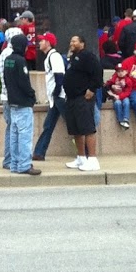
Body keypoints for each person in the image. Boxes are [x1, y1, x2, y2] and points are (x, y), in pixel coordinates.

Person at [0, 30, 41, 176]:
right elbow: (24, 82)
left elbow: (5, 79)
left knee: (14, 133)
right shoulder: (20, 61)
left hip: (12, 101)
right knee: (25, 135)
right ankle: (24, 165)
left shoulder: (8, 59)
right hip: (23, 103)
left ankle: (15, 164)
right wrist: (32, 95)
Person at [62, 33, 104, 172]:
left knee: (87, 128)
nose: (71, 43)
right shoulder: (73, 58)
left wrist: (92, 89)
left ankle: (92, 160)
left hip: (83, 98)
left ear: (82, 43)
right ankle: (81, 157)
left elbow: (98, 72)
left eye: (74, 41)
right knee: (76, 130)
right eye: (71, 41)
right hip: (72, 98)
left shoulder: (87, 56)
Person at [31, 32, 66, 160]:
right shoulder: (50, 57)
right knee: (48, 125)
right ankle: (39, 153)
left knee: (72, 124)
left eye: (42, 40)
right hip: (55, 98)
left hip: (60, 97)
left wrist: (57, 91)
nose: (39, 43)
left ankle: (85, 152)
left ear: (48, 43)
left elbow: (59, 75)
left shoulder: (54, 56)